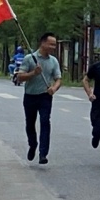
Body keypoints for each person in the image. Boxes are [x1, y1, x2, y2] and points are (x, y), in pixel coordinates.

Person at [16, 32, 61, 164]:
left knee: (45, 122)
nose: (53, 47)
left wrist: (54, 88)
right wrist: (33, 73)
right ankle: (32, 144)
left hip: (45, 96)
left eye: (54, 45)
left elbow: (58, 79)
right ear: (43, 43)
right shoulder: (30, 59)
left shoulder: (53, 61)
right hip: (30, 96)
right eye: (51, 44)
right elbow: (19, 77)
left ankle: (43, 153)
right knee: (30, 123)